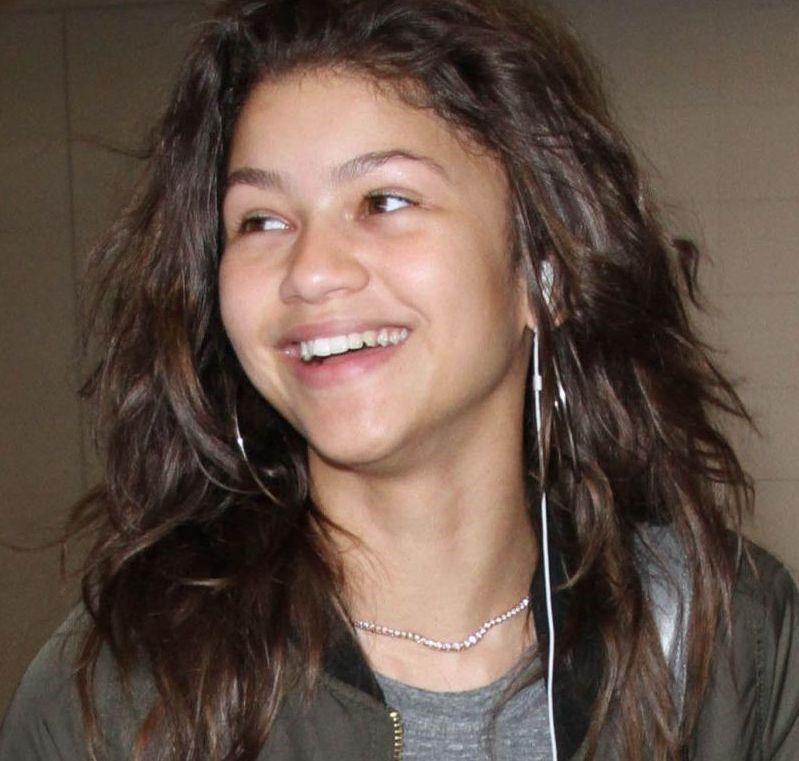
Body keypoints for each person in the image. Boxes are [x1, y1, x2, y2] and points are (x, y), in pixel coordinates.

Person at [1, 0, 797, 759]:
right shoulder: (120, 696)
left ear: (543, 270)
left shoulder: (726, 644)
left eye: (382, 201)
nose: (310, 271)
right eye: (261, 220)